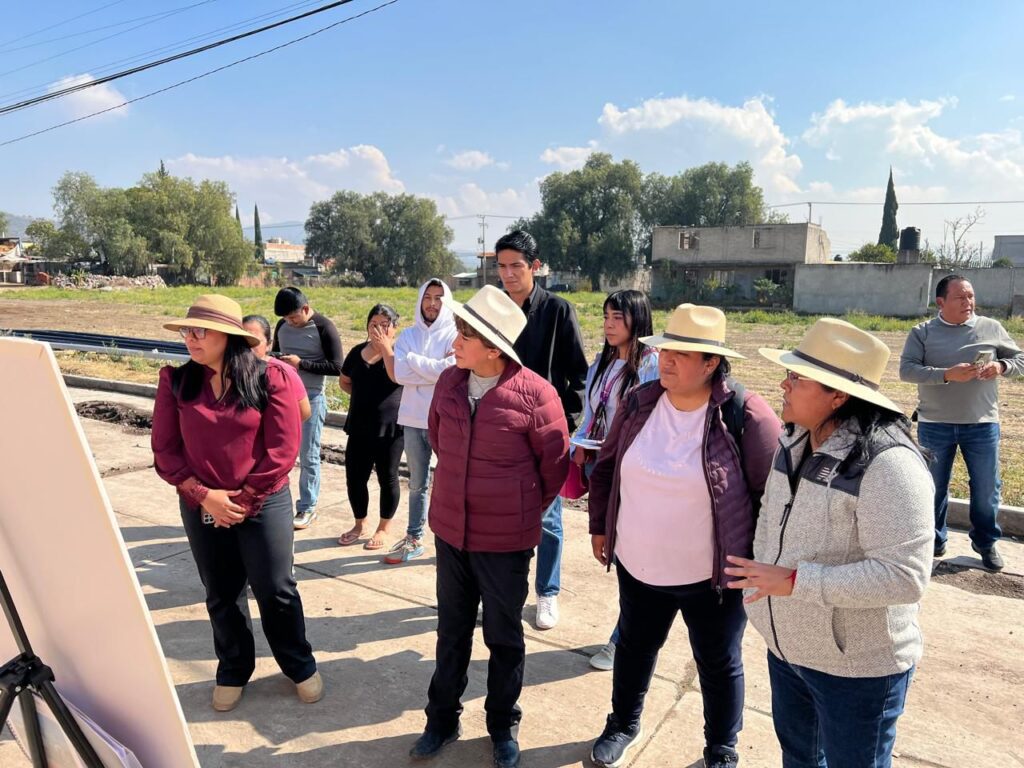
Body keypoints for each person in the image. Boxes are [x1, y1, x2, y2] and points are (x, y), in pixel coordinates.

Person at [727, 317, 934, 768]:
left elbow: (905, 578)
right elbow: (769, 517)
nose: (783, 383)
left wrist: (797, 582)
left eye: (797, 378)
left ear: (837, 394)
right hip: (787, 650)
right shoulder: (792, 438)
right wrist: (761, 595)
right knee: (799, 759)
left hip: (857, 670)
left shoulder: (889, 465)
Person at [587, 304, 780, 768]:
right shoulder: (641, 401)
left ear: (711, 362)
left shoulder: (745, 415)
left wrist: (758, 566)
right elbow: (608, 466)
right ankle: (623, 724)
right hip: (639, 562)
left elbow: (770, 499)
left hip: (711, 576)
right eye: (664, 350)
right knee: (634, 648)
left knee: (718, 663)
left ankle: (721, 748)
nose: (666, 361)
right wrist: (599, 525)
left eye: (681, 354)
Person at [410, 285, 569, 768]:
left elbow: (554, 469)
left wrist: (516, 508)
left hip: (505, 541)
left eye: (463, 334)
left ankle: (502, 724)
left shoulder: (536, 395)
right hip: (451, 532)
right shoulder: (450, 384)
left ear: (493, 347)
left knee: (503, 636)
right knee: (451, 631)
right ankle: (441, 719)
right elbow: (440, 440)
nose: (453, 342)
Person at [152, 294, 322, 713]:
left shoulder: (270, 378)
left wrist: (244, 500)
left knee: (276, 589)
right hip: (203, 502)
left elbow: (283, 449)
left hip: (264, 502)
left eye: (199, 331)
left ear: (227, 337)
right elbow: (166, 450)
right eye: (187, 331)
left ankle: (298, 664)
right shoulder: (176, 381)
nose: (190, 338)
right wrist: (205, 496)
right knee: (221, 592)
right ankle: (233, 667)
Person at [899, 274, 1024, 571]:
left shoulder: (991, 328)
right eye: (960, 297)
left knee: (986, 488)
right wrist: (946, 374)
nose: (968, 302)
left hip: (981, 424)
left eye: (970, 296)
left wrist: (1001, 365)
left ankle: (985, 542)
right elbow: (907, 370)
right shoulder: (923, 332)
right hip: (935, 423)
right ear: (940, 302)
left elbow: (1020, 361)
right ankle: (935, 538)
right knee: (933, 487)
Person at [497, 229, 588, 630]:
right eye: (501, 266)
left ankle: (547, 592)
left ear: (535, 266)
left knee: (548, 518)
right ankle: (505, 592)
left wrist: (565, 426)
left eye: (516, 265)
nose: (508, 274)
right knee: (504, 514)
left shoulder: (557, 311)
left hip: (547, 431)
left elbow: (579, 376)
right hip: (501, 429)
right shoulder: (492, 309)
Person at [570, 290, 660, 672]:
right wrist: (581, 444)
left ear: (637, 320)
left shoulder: (653, 366)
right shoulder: (603, 364)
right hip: (601, 466)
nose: (608, 324)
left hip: (635, 475)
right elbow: (594, 412)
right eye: (606, 316)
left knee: (632, 559)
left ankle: (622, 640)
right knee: (618, 555)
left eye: (618, 317)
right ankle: (628, 632)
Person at [380, 278, 457, 565]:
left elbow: (448, 373)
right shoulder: (409, 335)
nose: (433, 303)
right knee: (417, 483)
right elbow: (400, 375)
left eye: (439, 297)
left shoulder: (454, 334)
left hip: (445, 420)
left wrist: (413, 361)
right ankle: (414, 537)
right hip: (412, 419)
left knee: (451, 483)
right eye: (428, 297)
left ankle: (450, 540)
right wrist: (429, 368)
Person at [272, 286, 344, 530]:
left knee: (308, 455)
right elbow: (274, 354)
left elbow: (336, 366)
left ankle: (307, 507)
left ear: (305, 309)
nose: (289, 322)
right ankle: (275, 503)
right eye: (285, 319)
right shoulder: (282, 327)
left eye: (293, 317)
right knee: (279, 453)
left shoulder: (324, 327)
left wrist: (301, 364)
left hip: (311, 398)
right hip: (282, 399)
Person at [336, 304, 405, 551]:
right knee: (355, 478)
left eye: (384, 324)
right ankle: (359, 523)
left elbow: (399, 377)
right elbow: (345, 381)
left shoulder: (400, 353)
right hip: (359, 425)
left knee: (388, 478)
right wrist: (363, 397)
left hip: (391, 429)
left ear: (395, 329)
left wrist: (386, 349)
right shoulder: (356, 352)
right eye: (373, 323)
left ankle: (384, 527)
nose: (377, 329)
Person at [242, 314, 311, 423]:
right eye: (242, 341)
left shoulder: (282, 372)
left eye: (254, 341)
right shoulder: (228, 368)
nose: (247, 347)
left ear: (269, 344)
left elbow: (304, 412)